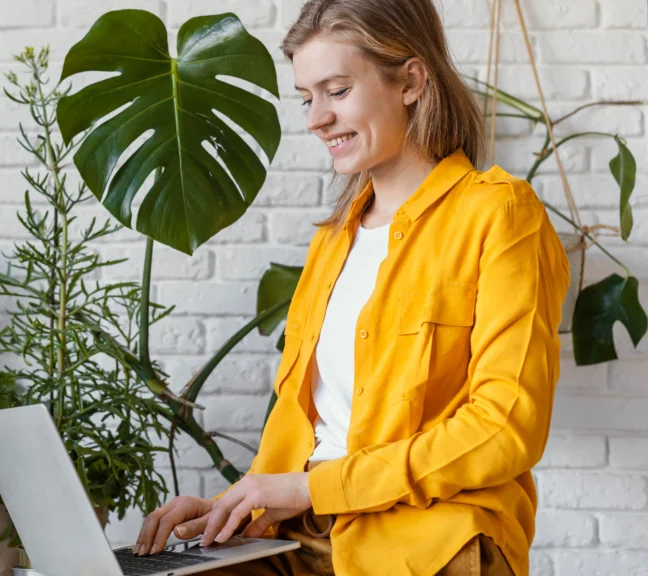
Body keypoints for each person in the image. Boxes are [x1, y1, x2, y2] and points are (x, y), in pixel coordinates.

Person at [133, 0, 571, 574]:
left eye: (336, 91)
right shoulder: (333, 240)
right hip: (300, 534)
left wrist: (317, 488)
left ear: (411, 81)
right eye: (307, 98)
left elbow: (504, 428)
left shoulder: (499, 214)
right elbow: (306, 429)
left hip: (431, 539)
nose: (316, 119)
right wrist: (228, 508)